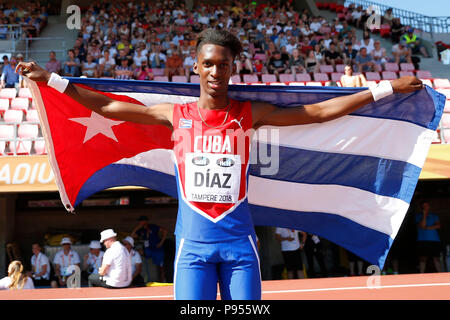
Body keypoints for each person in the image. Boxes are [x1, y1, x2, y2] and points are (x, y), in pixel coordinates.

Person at [17, 28, 424, 300]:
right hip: (191, 249)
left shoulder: (250, 113)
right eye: (208, 63)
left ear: (233, 68)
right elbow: (107, 105)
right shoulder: (175, 115)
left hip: (239, 249)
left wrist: (385, 88)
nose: (215, 71)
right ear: (196, 66)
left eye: (223, 64)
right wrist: (50, 79)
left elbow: (318, 113)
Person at [131, 216, 167, 283]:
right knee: (138, 252)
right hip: (148, 249)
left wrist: (161, 242)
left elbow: (165, 231)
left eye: (142, 221)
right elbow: (132, 235)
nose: (141, 223)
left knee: (161, 265)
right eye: (140, 221)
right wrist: (138, 227)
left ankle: (162, 280)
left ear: (146, 221)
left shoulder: (153, 227)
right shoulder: (140, 229)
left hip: (157, 248)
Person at [416, 201, 442, 273]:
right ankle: (421, 275)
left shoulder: (434, 216)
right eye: (423, 206)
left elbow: (438, 225)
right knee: (422, 258)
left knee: (436, 258)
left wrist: (427, 228)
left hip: (434, 240)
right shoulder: (418, 216)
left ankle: (441, 275)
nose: (425, 207)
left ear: (429, 206)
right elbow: (422, 225)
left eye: (426, 206)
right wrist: (424, 215)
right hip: (422, 240)